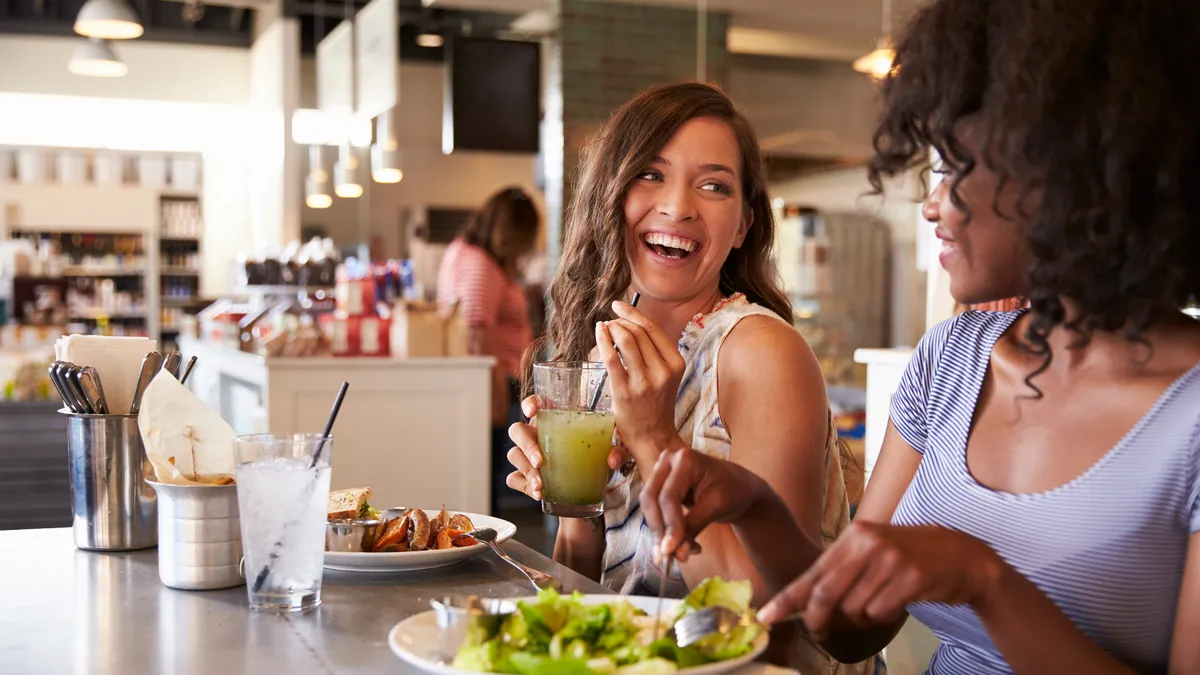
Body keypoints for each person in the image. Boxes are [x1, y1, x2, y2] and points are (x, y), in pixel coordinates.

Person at [639, 1, 1200, 673]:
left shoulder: (1187, 413)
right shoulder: (952, 359)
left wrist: (983, 579)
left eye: (955, 167)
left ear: (1072, 170)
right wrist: (756, 506)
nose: (931, 204)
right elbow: (848, 631)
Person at [505, 82, 874, 673]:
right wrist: (574, 504)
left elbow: (763, 614)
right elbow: (590, 590)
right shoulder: (601, 355)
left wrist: (654, 441)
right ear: (611, 195)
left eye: (713, 185)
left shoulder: (760, 351)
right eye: (650, 174)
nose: (678, 206)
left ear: (744, 225)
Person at [436, 186, 540, 513]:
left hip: (494, 384)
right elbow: (479, 338)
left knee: (490, 477)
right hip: (493, 387)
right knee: (489, 481)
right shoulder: (480, 264)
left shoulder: (468, 254)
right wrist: (494, 403)